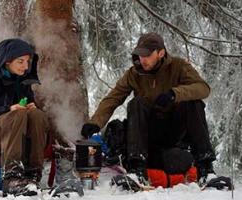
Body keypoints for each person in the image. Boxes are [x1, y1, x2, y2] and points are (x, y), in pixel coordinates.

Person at [81, 32, 216, 187]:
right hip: (148, 133)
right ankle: (137, 170)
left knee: (194, 103)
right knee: (136, 103)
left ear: (161, 53)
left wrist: (175, 94)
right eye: (139, 55)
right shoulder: (134, 74)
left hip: (175, 131)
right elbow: (113, 98)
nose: (142, 60)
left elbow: (203, 88)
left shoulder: (179, 67)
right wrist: (95, 123)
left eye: (147, 55)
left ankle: (206, 169)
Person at [0, 38, 49, 196]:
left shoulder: (23, 82)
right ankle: (11, 178)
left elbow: (29, 113)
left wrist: (31, 108)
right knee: (16, 114)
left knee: (37, 115)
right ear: (7, 61)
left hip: (15, 134)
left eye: (27, 61)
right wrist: (8, 109)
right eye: (20, 61)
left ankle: (33, 175)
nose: (26, 66)